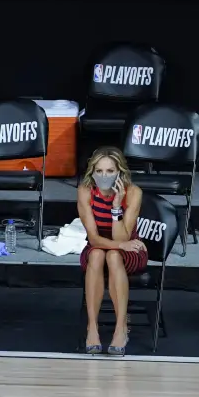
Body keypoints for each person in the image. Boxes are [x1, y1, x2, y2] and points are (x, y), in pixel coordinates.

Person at [77, 146, 148, 355]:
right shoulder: (85, 191)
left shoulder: (133, 193)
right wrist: (119, 245)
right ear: (92, 172)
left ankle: (121, 328)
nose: (104, 176)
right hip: (97, 247)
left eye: (110, 171)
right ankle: (92, 327)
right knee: (98, 254)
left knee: (114, 256)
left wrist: (116, 206)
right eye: (99, 171)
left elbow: (123, 238)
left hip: (130, 249)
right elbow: (93, 238)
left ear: (120, 172)